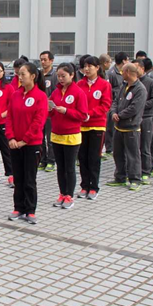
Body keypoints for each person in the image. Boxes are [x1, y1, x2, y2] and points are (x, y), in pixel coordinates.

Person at [5, 62, 48, 224]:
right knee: (18, 178)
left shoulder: (40, 96)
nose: (20, 77)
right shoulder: (15, 95)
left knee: (29, 179)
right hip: (15, 144)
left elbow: (38, 122)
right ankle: (18, 207)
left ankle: (30, 210)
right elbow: (9, 117)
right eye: (19, 74)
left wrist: (25, 140)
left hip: (31, 144)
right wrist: (11, 138)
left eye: (23, 74)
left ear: (33, 76)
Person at [48, 63, 89, 209]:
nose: (60, 79)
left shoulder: (78, 93)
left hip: (71, 136)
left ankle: (69, 195)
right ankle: (62, 193)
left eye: (63, 76)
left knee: (69, 168)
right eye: (58, 76)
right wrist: (50, 109)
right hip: (56, 134)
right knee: (60, 167)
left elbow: (83, 115)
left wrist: (66, 111)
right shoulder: (56, 92)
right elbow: (50, 113)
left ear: (72, 75)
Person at [106, 63, 147, 191]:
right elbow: (115, 101)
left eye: (122, 71)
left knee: (133, 155)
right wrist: (113, 113)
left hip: (131, 127)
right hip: (119, 126)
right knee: (118, 153)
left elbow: (135, 107)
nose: (121, 74)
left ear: (128, 72)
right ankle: (120, 177)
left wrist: (120, 115)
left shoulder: (140, 89)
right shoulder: (123, 86)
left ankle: (135, 179)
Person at [76, 56, 112, 199]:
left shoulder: (104, 85)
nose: (87, 69)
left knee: (94, 158)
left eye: (90, 66)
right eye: (85, 66)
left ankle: (94, 187)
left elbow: (105, 105)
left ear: (97, 68)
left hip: (97, 126)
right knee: (82, 157)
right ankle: (84, 186)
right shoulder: (79, 84)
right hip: (81, 126)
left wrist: (89, 114)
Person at [104, 52, 128, 157]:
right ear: (123, 61)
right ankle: (109, 148)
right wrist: (117, 92)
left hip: (121, 104)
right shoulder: (112, 73)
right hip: (112, 103)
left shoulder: (124, 72)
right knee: (110, 127)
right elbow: (108, 89)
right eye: (127, 59)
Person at [38, 51, 58, 172]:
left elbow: (56, 92)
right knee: (40, 137)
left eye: (45, 59)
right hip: (39, 112)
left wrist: (48, 102)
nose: (43, 62)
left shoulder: (55, 75)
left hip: (50, 112)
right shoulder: (38, 75)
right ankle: (42, 159)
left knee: (50, 138)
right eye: (41, 59)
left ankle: (51, 161)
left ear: (51, 60)